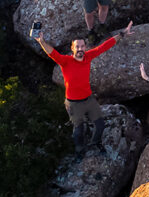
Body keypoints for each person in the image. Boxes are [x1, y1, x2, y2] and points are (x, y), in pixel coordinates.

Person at [34, 20, 131, 149]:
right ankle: (79, 149)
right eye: (77, 47)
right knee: (79, 129)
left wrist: (122, 34)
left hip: (89, 99)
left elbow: (104, 46)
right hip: (73, 103)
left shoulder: (88, 57)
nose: (80, 49)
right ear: (72, 48)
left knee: (100, 125)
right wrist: (41, 41)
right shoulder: (65, 61)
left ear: (85, 47)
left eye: (82, 46)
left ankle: (95, 143)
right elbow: (52, 53)